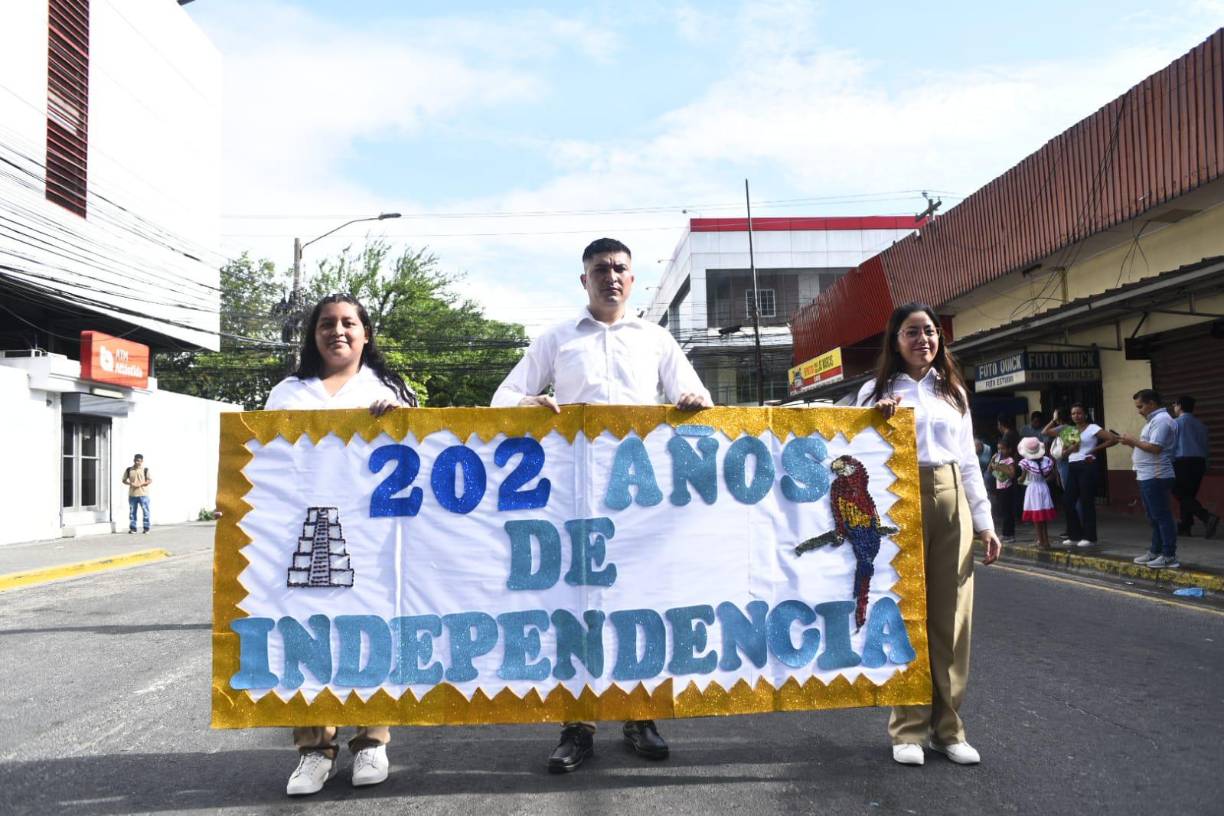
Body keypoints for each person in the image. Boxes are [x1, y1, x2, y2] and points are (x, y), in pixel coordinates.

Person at [491, 237, 712, 773]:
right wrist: (529, 402)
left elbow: (702, 400)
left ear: (633, 279)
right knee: (578, 606)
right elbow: (502, 398)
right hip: (574, 502)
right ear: (583, 279)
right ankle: (578, 725)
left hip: (642, 503)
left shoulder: (657, 340)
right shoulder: (557, 339)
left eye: (620, 269)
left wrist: (691, 402)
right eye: (600, 269)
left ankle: (641, 716)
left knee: (643, 600)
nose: (611, 276)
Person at [265, 293, 418, 796]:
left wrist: (399, 420)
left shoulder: (390, 389)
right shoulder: (288, 394)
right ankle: (314, 748)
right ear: (314, 335)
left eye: (348, 323)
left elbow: (420, 458)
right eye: (326, 324)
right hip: (299, 532)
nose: (338, 331)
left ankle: (371, 739)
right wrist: (237, 503)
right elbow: (262, 466)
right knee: (305, 632)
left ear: (366, 333)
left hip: (372, 535)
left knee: (370, 628)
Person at [859, 303, 1001, 768]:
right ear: (895, 341)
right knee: (905, 614)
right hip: (898, 501)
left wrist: (985, 523)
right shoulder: (874, 391)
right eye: (912, 332)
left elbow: (969, 462)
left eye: (931, 332)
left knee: (952, 619)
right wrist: (876, 420)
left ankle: (948, 728)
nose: (924, 339)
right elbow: (855, 453)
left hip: (950, 497)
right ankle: (908, 728)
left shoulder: (953, 391)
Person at [1121, 390, 1181, 569]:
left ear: (1152, 403)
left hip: (1157, 475)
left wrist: (1133, 440)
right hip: (1146, 475)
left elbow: (1155, 448)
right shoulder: (1153, 421)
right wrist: (1131, 442)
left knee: (1162, 516)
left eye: (1140, 406)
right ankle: (1155, 550)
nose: (1139, 410)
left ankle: (1169, 555)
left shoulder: (1162, 421)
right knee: (1153, 516)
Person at [1057, 403, 1114, 548]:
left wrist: (1094, 450)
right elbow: (1063, 453)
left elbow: (1112, 439)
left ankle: (1090, 537)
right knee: (1068, 500)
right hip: (1073, 466)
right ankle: (1074, 535)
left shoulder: (1092, 428)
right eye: (1073, 413)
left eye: (1079, 413)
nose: (1076, 416)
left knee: (1086, 501)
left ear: (1085, 414)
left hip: (1087, 466)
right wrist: (1069, 449)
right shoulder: (1070, 430)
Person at [1171, 396, 1219, 538]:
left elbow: (1171, 446)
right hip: (1199, 462)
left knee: (1178, 492)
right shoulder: (1201, 425)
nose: (1173, 408)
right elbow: (1206, 447)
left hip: (1182, 462)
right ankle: (1185, 526)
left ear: (1179, 406)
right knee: (1188, 495)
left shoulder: (1175, 424)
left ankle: (1207, 517)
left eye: (1174, 405)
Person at [1017, 437, 1057, 550]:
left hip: (1033, 489)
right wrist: (1043, 481)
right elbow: (1052, 475)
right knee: (1043, 517)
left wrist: (1019, 480)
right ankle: (1046, 541)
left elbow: (1022, 479)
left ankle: (1040, 541)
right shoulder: (1046, 461)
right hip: (1044, 487)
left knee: (1036, 517)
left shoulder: (1026, 463)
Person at [989, 438, 1018, 545]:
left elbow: (1012, 474)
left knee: (1008, 512)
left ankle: (1010, 534)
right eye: (999, 449)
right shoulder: (998, 459)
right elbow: (990, 470)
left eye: (1003, 449)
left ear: (1009, 449)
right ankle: (1005, 533)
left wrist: (1000, 468)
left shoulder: (1009, 460)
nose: (1000, 451)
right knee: (1003, 511)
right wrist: (992, 461)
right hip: (1000, 488)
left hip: (1007, 488)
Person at [122, 454, 152, 533]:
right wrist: (130, 484)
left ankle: (146, 528)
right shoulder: (129, 470)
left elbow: (149, 480)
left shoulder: (145, 470)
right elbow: (124, 480)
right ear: (133, 460)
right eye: (136, 460)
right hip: (132, 495)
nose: (137, 462)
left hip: (143, 494)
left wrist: (141, 484)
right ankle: (133, 528)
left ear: (142, 461)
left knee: (146, 512)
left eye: (139, 461)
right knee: (132, 512)